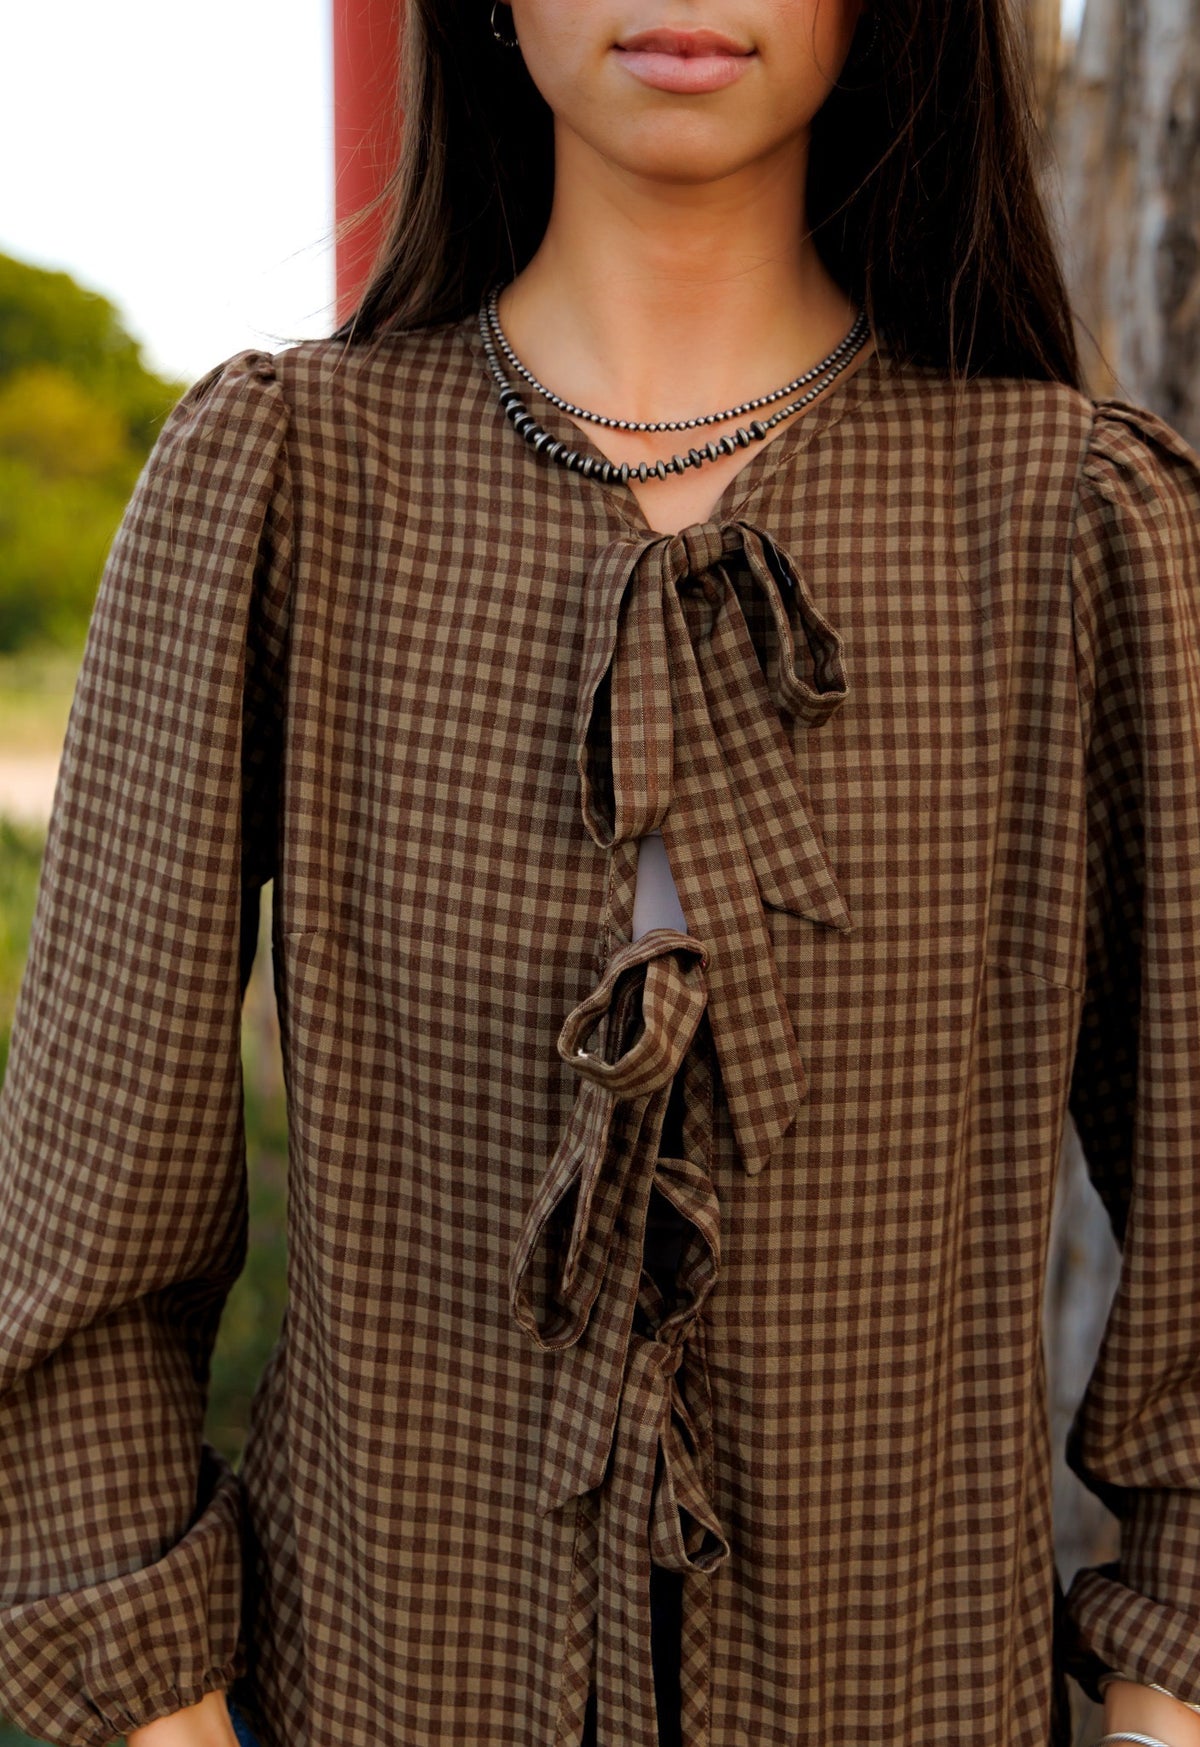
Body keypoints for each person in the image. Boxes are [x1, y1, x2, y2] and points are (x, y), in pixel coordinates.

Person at [1, 0, 1199, 1743]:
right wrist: (160, 1713)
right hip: (389, 1694)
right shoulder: (286, 489)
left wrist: (1164, 1707)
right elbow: (90, 1202)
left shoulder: (1071, 526)